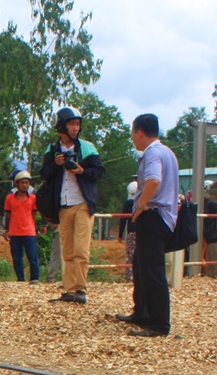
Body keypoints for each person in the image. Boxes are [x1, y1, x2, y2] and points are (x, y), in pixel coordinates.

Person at [116, 114, 179, 338]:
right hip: (164, 216)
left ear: (139, 132)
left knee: (152, 271)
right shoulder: (167, 152)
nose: (133, 139)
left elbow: (153, 180)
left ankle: (160, 324)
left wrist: (141, 206)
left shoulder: (152, 153)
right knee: (141, 265)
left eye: (133, 133)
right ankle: (141, 312)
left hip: (154, 215)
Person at [38, 107, 105, 304]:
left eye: (78, 124)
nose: (76, 128)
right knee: (66, 249)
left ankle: (81, 290)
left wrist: (82, 171)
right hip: (63, 205)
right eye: (72, 124)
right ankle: (69, 290)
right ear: (62, 126)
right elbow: (43, 175)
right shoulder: (52, 150)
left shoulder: (87, 147)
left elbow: (100, 172)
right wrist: (55, 164)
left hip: (83, 203)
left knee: (81, 250)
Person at [3, 170, 41, 283]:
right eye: (22, 183)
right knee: (17, 257)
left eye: (26, 183)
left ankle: (34, 278)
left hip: (29, 232)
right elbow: (8, 215)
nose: (25, 185)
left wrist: (34, 225)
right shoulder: (9, 198)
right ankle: (20, 278)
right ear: (17, 184)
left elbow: (35, 213)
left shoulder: (33, 198)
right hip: (15, 232)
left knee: (32, 257)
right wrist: (7, 230)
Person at [119, 181, 138, 282]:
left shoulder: (128, 203)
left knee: (130, 254)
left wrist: (120, 234)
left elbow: (123, 220)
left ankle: (130, 277)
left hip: (131, 232)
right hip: (142, 231)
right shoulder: (142, 202)